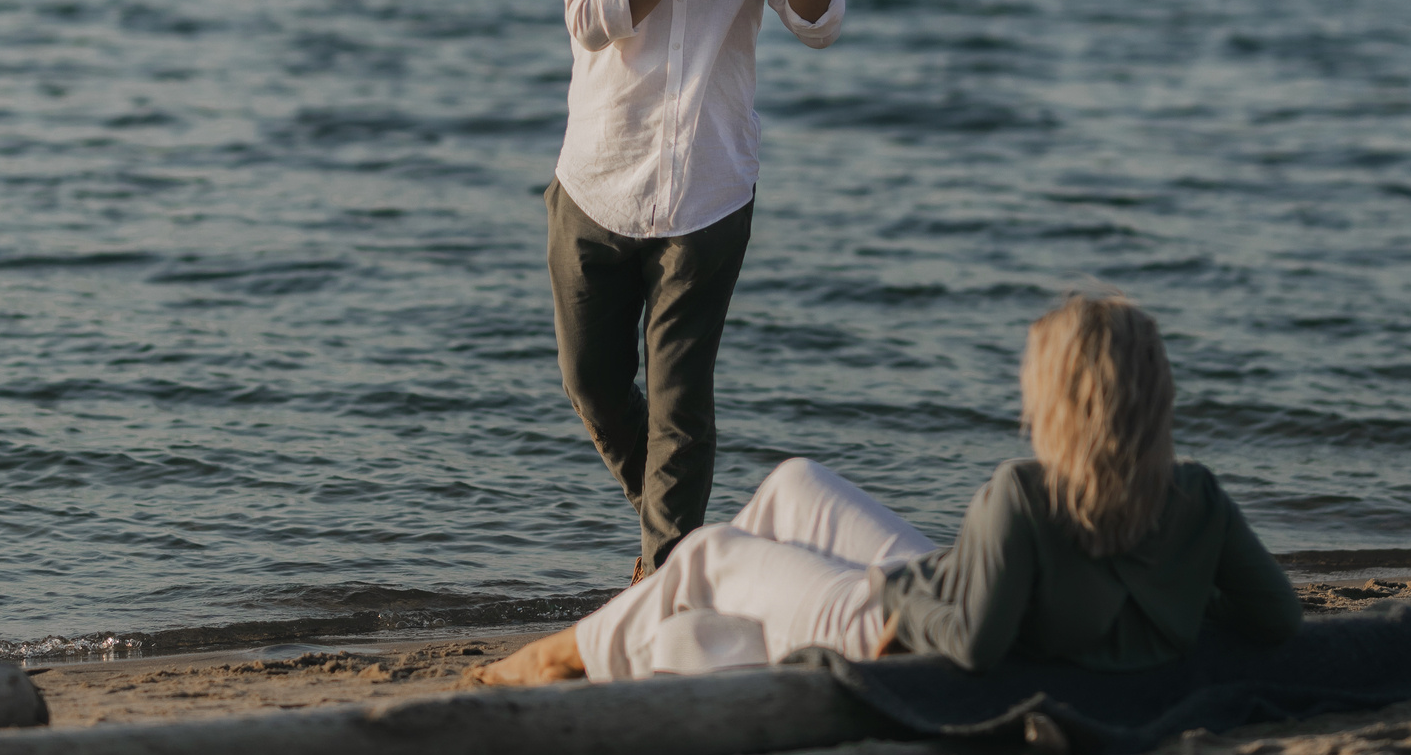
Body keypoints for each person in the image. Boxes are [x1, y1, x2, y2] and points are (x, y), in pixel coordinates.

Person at [479, 292, 1301, 684]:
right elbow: (1276, 616)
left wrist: (897, 590)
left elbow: (973, 642)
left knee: (708, 551)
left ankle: (551, 658)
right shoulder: (1195, 497)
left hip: (891, 626)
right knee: (795, 482)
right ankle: (679, 637)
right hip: (961, 583)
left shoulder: (1024, 494)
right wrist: (1166, 605)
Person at [547, 0, 844, 578]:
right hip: (597, 178)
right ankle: (681, 545)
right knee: (591, 383)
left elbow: (820, 24)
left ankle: (668, 575)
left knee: (680, 401)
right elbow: (591, 17)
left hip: (709, 186)